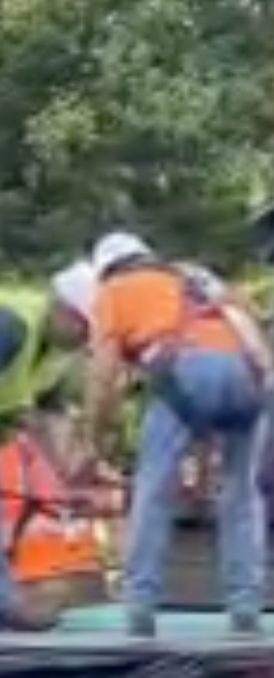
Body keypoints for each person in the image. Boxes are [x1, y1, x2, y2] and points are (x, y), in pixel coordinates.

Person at [86, 231, 272, 637]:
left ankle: (140, 606)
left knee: (153, 493)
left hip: (184, 371)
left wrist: (95, 438)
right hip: (248, 376)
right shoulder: (196, 278)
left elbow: (104, 377)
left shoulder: (115, 292)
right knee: (241, 495)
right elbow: (249, 332)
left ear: (105, 271)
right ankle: (246, 607)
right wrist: (204, 473)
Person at [0, 261, 99, 630]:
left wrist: (63, 484)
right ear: (62, 308)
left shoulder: (56, 353)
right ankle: (6, 604)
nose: (86, 340)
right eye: (84, 328)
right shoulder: (10, 326)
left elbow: (40, 416)